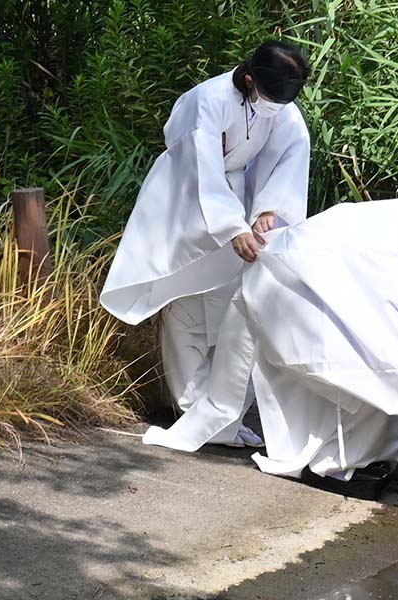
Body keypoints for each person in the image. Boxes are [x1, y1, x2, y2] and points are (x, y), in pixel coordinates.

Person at [142, 167, 398, 484]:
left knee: (381, 378)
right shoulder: (388, 253)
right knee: (356, 373)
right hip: (290, 293)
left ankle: (353, 463)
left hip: (331, 297)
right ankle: (332, 466)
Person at [99, 41, 311, 446]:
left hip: (234, 199)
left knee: (231, 299)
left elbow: (290, 152)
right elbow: (201, 166)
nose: (274, 107)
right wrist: (232, 226)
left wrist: (268, 209)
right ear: (250, 79)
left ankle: (220, 413)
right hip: (185, 197)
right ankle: (190, 404)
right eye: (268, 97)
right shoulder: (209, 100)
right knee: (184, 295)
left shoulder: (279, 105)